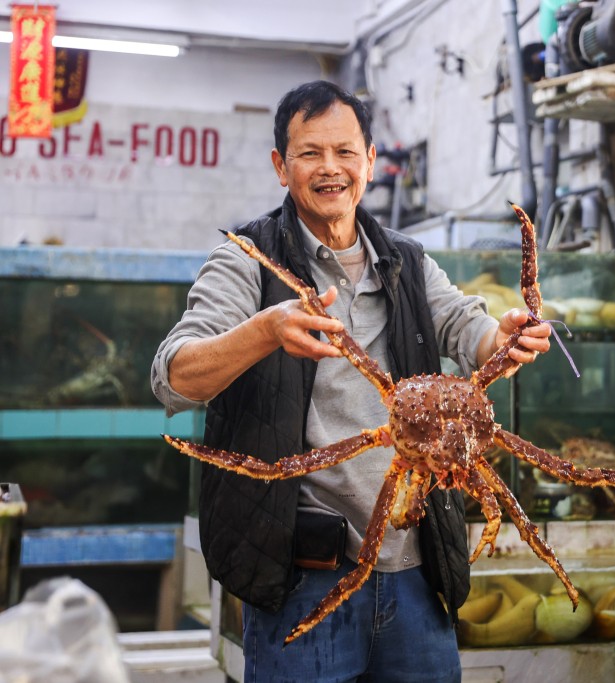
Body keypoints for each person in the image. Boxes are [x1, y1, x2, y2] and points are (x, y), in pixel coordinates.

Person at [151, 80, 552, 683]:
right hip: (301, 572)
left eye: (345, 152)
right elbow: (173, 375)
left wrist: (510, 336)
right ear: (280, 167)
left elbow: (472, 330)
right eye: (310, 153)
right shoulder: (247, 259)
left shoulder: (407, 260)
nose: (330, 168)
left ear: (369, 160)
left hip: (419, 573)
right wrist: (266, 329)